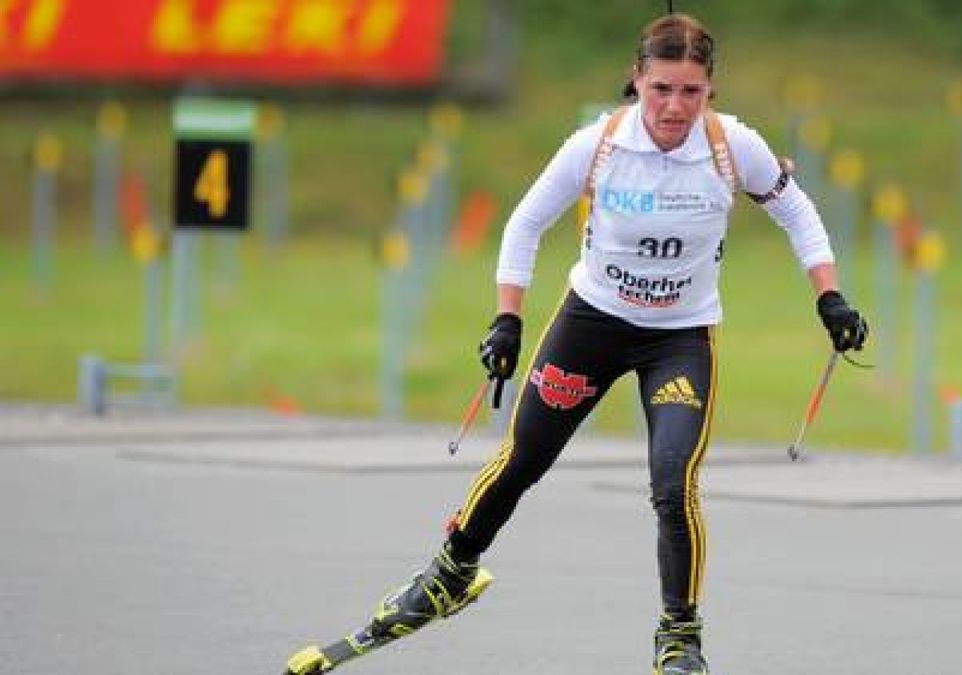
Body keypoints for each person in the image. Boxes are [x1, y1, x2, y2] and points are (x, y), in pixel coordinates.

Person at [284, 12, 867, 675]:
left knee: (674, 484)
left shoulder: (733, 145)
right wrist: (508, 318)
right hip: (591, 322)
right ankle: (449, 573)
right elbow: (526, 221)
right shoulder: (598, 145)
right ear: (636, 83)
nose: (674, 108)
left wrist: (829, 295)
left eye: (691, 92)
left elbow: (796, 209)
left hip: (679, 338)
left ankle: (680, 635)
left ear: (710, 92)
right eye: (660, 90)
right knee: (523, 458)